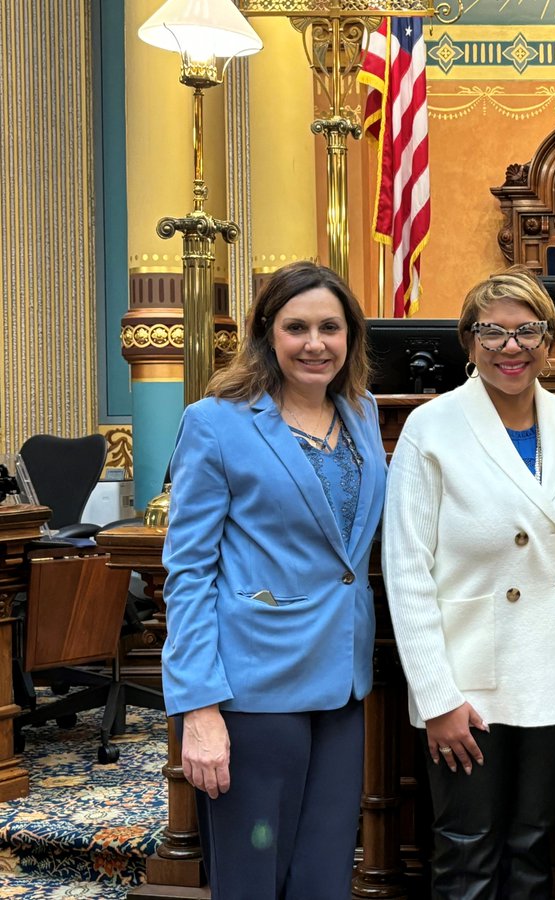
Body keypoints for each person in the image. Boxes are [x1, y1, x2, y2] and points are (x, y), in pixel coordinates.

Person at [382, 266, 555, 899]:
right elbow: (407, 572)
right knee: (468, 853)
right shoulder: (431, 427)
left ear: (549, 340)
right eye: (492, 331)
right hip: (467, 684)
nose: (511, 346)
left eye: (528, 331)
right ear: (468, 340)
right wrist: (437, 698)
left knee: (532, 847)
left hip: (553, 674)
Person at [162, 261, 387, 898]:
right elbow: (188, 572)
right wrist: (198, 707)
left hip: (341, 687)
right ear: (266, 333)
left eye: (330, 328)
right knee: (253, 881)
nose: (315, 344)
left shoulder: (362, 412)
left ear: (351, 336)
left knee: (323, 882)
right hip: (252, 689)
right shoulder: (216, 421)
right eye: (296, 328)